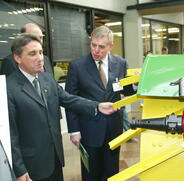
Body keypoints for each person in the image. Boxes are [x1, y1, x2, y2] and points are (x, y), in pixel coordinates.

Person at [7, 33, 116, 181]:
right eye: (32, 54)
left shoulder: (46, 78)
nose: (40, 58)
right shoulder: (8, 89)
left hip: (54, 159)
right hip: (31, 166)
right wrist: (19, 169)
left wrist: (97, 106)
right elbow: (11, 135)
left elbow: (68, 99)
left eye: (41, 52)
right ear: (17, 58)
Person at [65, 25, 134, 181]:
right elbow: (70, 100)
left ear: (110, 46)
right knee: (91, 173)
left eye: (101, 47)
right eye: (93, 45)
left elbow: (127, 90)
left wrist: (136, 82)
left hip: (113, 128)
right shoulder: (77, 66)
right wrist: (74, 130)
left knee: (111, 172)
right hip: (89, 128)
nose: (96, 50)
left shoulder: (121, 63)